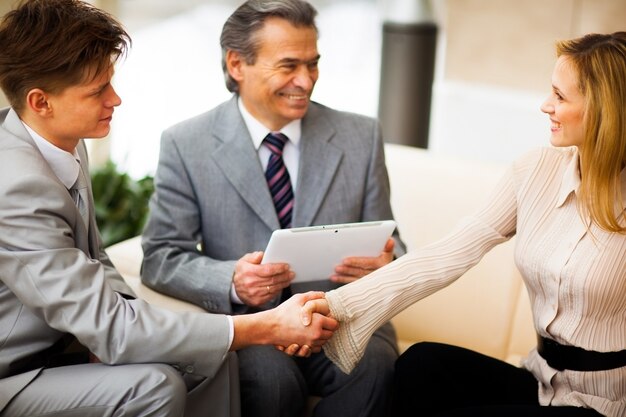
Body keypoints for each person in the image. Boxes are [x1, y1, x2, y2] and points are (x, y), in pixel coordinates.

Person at [0, 1, 337, 416]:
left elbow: (95, 262)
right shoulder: (14, 186)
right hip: (13, 374)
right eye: (97, 91)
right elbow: (118, 312)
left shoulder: (60, 138)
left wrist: (115, 332)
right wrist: (263, 326)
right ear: (41, 101)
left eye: (111, 83)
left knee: (210, 357)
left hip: (62, 349)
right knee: (153, 386)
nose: (115, 99)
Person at [301, 31, 626, 417]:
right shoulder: (535, 170)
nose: (545, 105)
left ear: (604, 110)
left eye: (560, 96)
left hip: (606, 405)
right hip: (542, 383)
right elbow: (448, 254)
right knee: (421, 365)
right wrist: (334, 305)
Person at [140, 0, 406, 416]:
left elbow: (397, 249)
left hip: (344, 319)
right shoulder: (185, 144)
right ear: (236, 64)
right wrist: (231, 279)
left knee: (376, 366)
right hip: (255, 324)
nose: (306, 80)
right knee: (268, 380)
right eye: (288, 66)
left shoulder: (361, 136)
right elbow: (159, 258)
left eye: (313, 64)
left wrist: (385, 265)